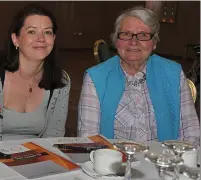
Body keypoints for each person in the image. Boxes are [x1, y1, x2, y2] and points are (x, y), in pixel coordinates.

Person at [78, 7, 200, 145]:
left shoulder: (173, 73)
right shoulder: (95, 78)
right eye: (126, 34)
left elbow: (191, 132)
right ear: (116, 41)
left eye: (143, 35)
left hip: (164, 162)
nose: (133, 42)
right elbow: (88, 138)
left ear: (154, 43)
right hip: (114, 162)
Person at [0, 4, 71, 142]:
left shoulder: (60, 81)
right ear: (15, 39)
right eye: (32, 32)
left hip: (37, 158)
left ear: (53, 38)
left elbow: (53, 138)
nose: (41, 38)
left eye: (47, 32)